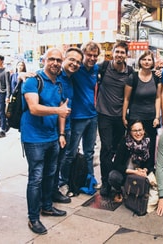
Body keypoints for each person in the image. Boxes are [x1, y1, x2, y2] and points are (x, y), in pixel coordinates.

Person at [21, 48, 71, 235]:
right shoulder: (33, 80)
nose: (56, 63)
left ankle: (47, 206)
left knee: (51, 174)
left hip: (52, 137)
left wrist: (61, 134)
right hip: (34, 139)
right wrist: (58, 112)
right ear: (44, 60)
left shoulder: (58, 84)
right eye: (52, 59)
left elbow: (62, 108)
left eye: (59, 60)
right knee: (36, 178)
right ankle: (33, 218)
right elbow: (34, 108)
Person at [61, 42, 101, 196]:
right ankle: (64, 183)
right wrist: (23, 74)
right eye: (89, 55)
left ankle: (89, 179)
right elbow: (59, 70)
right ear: (83, 54)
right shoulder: (76, 69)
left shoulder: (96, 69)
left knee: (90, 152)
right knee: (70, 153)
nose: (91, 58)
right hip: (77, 117)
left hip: (92, 116)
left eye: (94, 55)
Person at [96, 41, 134, 197]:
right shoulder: (103, 67)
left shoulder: (130, 72)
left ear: (126, 55)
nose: (119, 55)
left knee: (117, 150)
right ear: (112, 53)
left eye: (122, 52)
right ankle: (105, 182)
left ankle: (115, 180)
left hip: (120, 117)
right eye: (117, 52)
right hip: (104, 115)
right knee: (106, 148)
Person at [51, 47, 83, 203]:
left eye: (78, 62)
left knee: (60, 160)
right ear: (64, 59)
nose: (74, 63)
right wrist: (22, 74)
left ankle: (55, 189)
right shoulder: (55, 74)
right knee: (51, 163)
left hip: (67, 126)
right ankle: (50, 193)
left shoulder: (72, 78)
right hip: (53, 128)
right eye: (71, 59)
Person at [122, 50, 161, 164]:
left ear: (153, 62)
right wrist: (124, 116)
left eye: (149, 59)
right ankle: (133, 171)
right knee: (134, 145)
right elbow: (126, 99)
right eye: (144, 59)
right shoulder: (132, 77)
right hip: (135, 117)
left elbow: (158, 98)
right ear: (139, 61)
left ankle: (148, 171)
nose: (147, 62)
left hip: (151, 117)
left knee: (150, 145)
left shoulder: (156, 77)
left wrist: (157, 117)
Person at [108, 120, 154, 203]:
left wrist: (145, 170)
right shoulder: (125, 142)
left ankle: (138, 193)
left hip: (141, 173)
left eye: (140, 130)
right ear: (130, 132)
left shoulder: (148, 142)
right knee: (113, 176)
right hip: (127, 172)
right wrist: (134, 172)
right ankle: (119, 191)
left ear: (144, 130)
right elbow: (116, 165)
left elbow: (150, 162)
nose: (138, 133)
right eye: (135, 131)